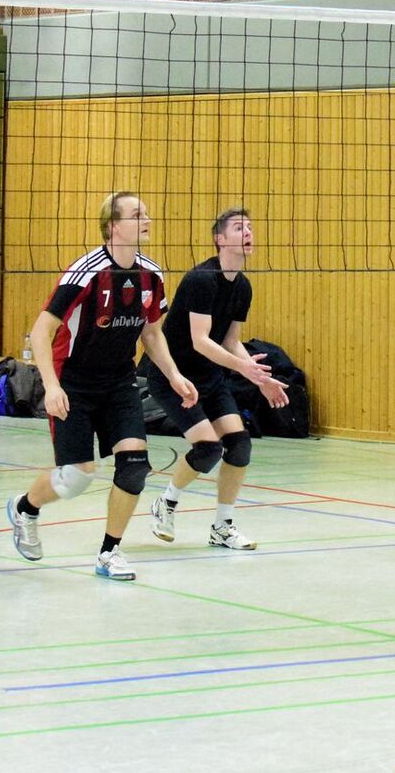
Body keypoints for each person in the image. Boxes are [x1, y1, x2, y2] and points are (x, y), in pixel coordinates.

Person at [6, 192, 197, 582]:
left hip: (119, 381)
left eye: (146, 212)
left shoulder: (151, 275)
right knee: (76, 477)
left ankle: (109, 553)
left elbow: (152, 333)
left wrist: (175, 376)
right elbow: (42, 331)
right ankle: (26, 508)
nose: (147, 218)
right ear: (113, 226)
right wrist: (52, 385)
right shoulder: (85, 272)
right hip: (73, 381)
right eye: (137, 214)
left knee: (134, 467)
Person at [146, 207, 289, 551]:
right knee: (209, 448)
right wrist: (243, 368)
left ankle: (222, 526)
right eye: (239, 228)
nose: (248, 233)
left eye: (251, 227)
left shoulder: (243, 286)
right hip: (174, 376)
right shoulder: (201, 279)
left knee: (239, 445)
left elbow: (230, 341)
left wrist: (260, 379)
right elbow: (200, 340)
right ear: (220, 239)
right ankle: (165, 503)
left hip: (209, 376)